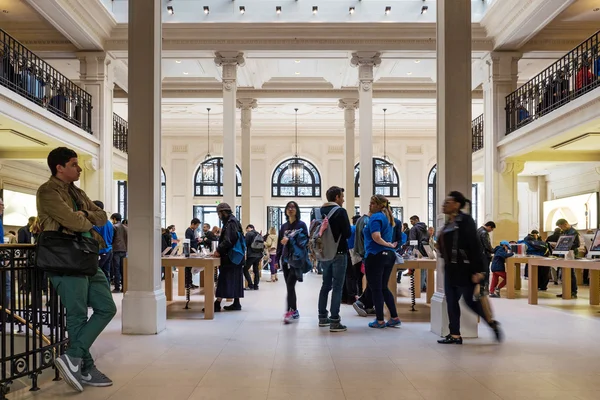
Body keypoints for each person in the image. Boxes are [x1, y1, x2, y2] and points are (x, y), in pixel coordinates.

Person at [37, 147, 117, 391]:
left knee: (107, 307)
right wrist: (84, 215)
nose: (79, 168)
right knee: (77, 314)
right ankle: (85, 367)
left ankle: (73, 357)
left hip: (86, 255)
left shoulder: (76, 191)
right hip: (64, 258)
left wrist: (83, 213)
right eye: (74, 164)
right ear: (59, 167)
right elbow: (75, 221)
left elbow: (102, 216)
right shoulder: (48, 191)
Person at [436, 191, 502, 344]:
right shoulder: (448, 223)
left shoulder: (466, 221)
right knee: (451, 301)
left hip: (464, 269)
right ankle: (455, 334)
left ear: (457, 204)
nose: (445, 204)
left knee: (470, 301)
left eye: (448, 201)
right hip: (450, 269)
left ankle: (491, 323)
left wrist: (479, 271)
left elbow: (474, 246)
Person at [317, 186, 352, 332]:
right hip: (339, 252)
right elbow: (348, 233)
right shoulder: (340, 211)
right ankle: (335, 321)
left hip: (324, 254)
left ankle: (322, 317)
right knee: (337, 286)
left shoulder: (319, 211)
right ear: (337, 197)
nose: (343, 199)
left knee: (326, 285)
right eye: (342, 196)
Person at [363, 195, 401, 329]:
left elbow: (376, 237)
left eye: (372, 203)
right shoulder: (389, 218)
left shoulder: (375, 217)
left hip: (375, 255)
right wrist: (389, 246)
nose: (370, 205)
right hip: (388, 257)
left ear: (380, 206)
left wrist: (388, 244)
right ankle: (394, 317)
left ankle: (379, 320)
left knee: (376, 289)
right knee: (383, 287)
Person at [276, 201, 309, 324]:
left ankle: (289, 311)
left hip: (296, 260)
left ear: (297, 210)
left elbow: (305, 242)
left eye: (293, 207)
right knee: (289, 287)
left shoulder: (301, 225)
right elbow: (279, 243)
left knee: (290, 285)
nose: (290, 209)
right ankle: (294, 310)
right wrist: (276, 259)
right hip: (285, 260)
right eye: (288, 207)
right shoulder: (284, 226)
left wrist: (290, 239)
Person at [212, 203, 245, 311]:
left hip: (230, 257)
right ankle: (236, 303)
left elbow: (228, 240)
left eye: (219, 213)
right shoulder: (233, 221)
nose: (219, 216)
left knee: (224, 279)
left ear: (223, 212)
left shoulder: (230, 223)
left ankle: (217, 303)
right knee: (235, 279)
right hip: (236, 257)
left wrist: (218, 250)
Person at [352, 212, 376, 318]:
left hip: (363, 253)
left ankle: (369, 305)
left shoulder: (361, 220)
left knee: (371, 280)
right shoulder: (367, 221)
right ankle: (361, 301)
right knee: (374, 281)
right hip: (368, 253)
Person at [555, 218, 580, 299]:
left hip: (571, 254)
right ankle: (566, 291)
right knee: (564, 273)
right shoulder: (564, 232)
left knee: (571, 273)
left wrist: (567, 246)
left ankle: (573, 292)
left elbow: (577, 244)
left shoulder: (573, 232)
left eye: (561, 227)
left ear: (565, 224)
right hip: (564, 253)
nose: (561, 229)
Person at [92, 201, 113, 284]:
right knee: (106, 273)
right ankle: (107, 292)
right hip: (109, 250)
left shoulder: (98, 223)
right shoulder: (109, 223)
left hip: (101, 251)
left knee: (97, 274)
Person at [477, 221, 496, 295]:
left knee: (480, 271)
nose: (491, 231)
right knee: (485, 271)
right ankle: (485, 288)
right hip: (484, 255)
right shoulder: (484, 233)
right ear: (489, 227)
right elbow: (487, 245)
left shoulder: (478, 230)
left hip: (478, 255)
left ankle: (480, 288)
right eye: (492, 229)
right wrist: (493, 250)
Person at [110, 213, 128, 293]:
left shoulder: (114, 227)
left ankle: (117, 287)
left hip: (116, 250)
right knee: (123, 269)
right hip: (124, 250)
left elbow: (111, 238)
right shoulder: (126, 228)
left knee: (116, 269)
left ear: (114, 219)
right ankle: (124, 287)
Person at [346, 214, 362, 301]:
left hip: (348, 252)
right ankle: (358, 294)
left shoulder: (351, 228)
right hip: (358, 253)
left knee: (350, 276)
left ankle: (350, 296)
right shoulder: (359, 229)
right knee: (358, 276)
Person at [244, 224, 263, 290]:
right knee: (256, 270)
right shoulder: (258, 234)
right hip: (259, 255)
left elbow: (245, 244)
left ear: (249, 228)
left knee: (245, 269)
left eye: (247, 229)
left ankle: (250, 284)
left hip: (251, 255)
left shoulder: (248, 234)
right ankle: (256, 285)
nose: (246, 231)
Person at [185, 218, 201, 289]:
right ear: (193, 224)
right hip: (190, 251)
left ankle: (190, 283)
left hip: (193, 250)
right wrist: (197, 240)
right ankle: (187, 283)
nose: (197, 227)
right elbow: (188, 240)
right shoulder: (188, 231)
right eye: (196, 225)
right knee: (188, 268)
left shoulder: (192, 231)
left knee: (190, 267)